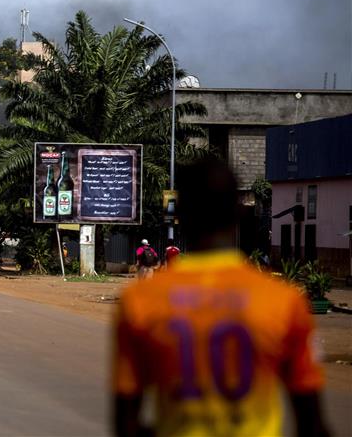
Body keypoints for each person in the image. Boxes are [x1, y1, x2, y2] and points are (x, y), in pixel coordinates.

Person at [113, 158, 329, 437]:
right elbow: (311, 422)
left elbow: (125, 421)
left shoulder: (140, 301)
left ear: (182, 214)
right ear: (237, 213)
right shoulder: (283, 300)